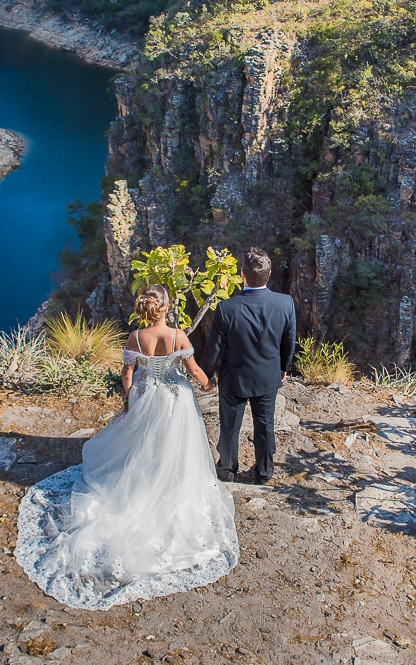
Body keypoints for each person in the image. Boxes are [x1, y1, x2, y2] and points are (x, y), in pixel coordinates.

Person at [15, 285, 239, 610]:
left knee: (142, 446)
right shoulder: (178, 337)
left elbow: (127, 374)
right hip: (176, 400)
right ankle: (172, 484)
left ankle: (142, 483)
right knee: (175, 447)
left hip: (147, 396)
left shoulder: (135, 338)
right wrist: (207, 384)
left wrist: (129, 398)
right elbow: (193, 372)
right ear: (165, 308)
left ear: (146, 309)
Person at [201, 247, 296, 486]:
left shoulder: (226, 308)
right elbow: (289, 340)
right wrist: (283, 367)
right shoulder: (285, 303)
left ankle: (227, 469)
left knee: (230, 427)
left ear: (242, 274)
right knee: (265, 426)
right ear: (269, 273)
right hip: (267, 377)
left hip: (234, 379)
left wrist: (207, 376)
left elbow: (214, 347)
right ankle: (264, 473)